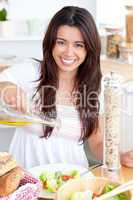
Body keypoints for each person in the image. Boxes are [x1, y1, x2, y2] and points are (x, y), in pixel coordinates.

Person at [0, 6, 132, 169]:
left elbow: (97, 143)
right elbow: (3, 83)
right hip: (24, 178)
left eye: (78, 45)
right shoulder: (31, 71)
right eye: (61, 42)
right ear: (51, 43)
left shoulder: (96, 88)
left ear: (89, 49)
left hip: (71, 181)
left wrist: (118, 157)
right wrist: (9, 88)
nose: (69, 53)